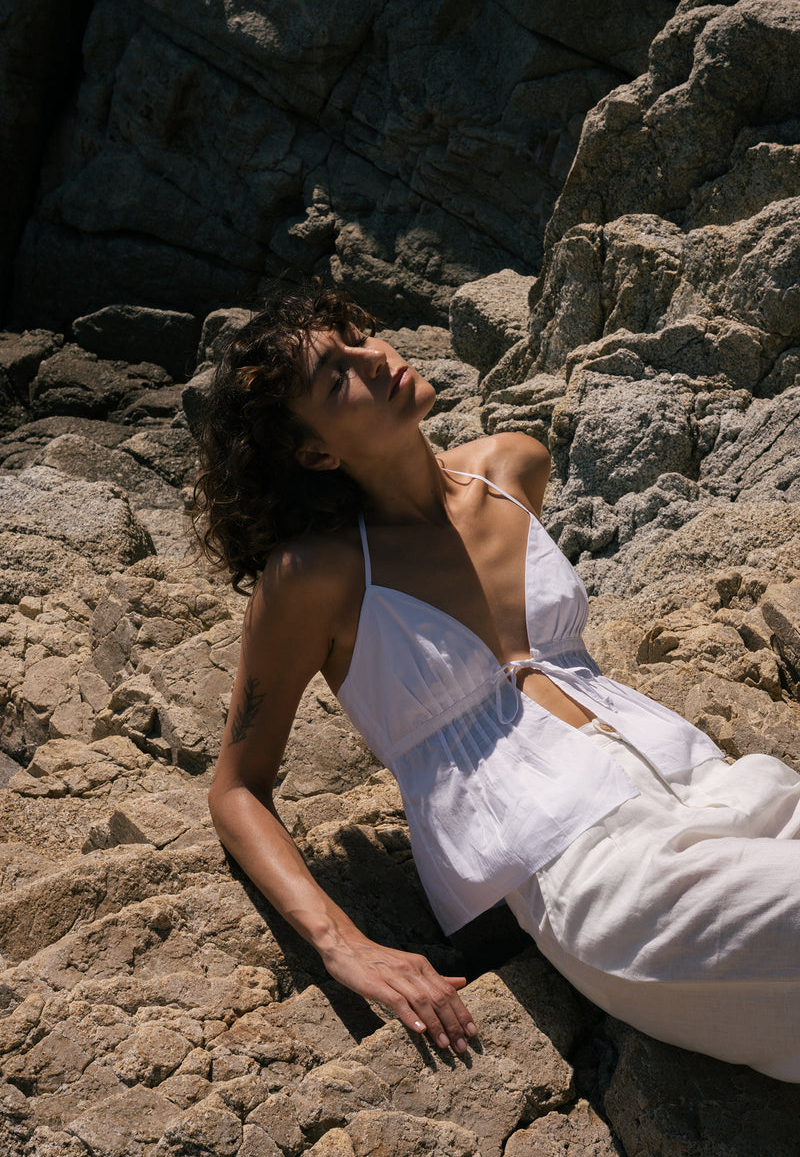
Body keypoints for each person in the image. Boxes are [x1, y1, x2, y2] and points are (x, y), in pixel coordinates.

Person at [194, 280, 800, 1081]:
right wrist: (348, 946)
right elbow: (236, 788)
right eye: (336, 375)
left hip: (722, 786)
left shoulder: (513, 467)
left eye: (358, 337)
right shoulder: (316, 575)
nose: (375, 359)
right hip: (592, 870)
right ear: (315, 452)